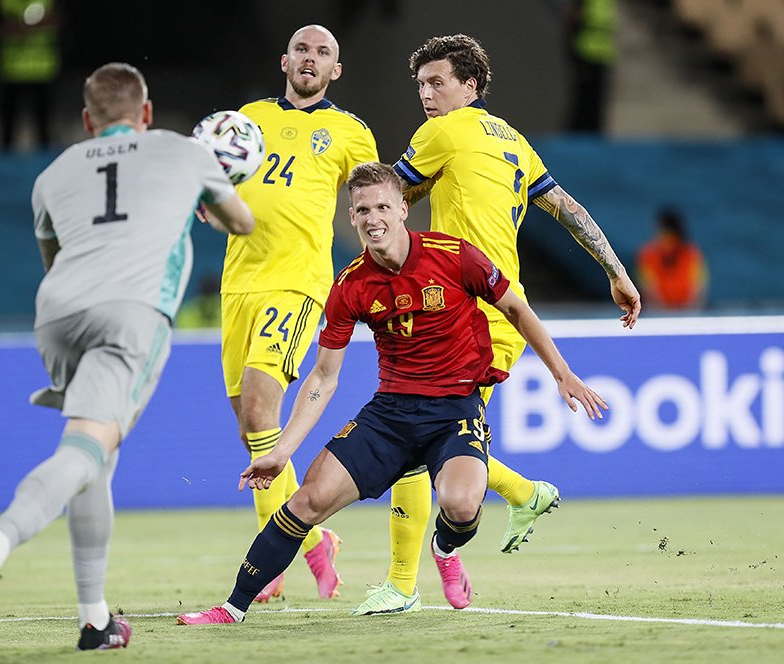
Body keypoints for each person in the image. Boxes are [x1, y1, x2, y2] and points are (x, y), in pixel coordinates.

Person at [176, 162, 607, 626]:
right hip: (391, 414)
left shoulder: (456, 255)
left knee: (461, 506)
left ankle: (443, 547)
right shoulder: (350, 285)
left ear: (404, 209)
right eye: (362, 209)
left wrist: (562, 374)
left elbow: (518, 310)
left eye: (383, 205)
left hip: (455, 410)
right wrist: (282, 451)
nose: (373, 217)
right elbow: (322, 377)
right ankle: (232, 608)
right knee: (305, 502)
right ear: (352, 216)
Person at [0, 62, 254, 650]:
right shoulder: (179, 152)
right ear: (147, 115)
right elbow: (241, 222)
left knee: (96, 461)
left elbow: (53, 254)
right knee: (85, 449)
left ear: (87, 121)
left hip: (56, 314)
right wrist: (208, 189)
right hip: (129, 313)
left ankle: (95, 620)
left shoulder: (53, 172)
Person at [352, 33, 641, 616]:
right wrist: (616, 270)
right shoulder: (513, 139)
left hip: (460, 311)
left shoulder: (440, 134)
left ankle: (403, 583)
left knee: (414, 436)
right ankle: (522, 494)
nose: (427, 95)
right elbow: (569, 211)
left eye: (437, 83)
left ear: (470, 86)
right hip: (500, 309)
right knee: (436, 436)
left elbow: (386, 200)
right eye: (421, 85)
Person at [214, 24, 378, 603]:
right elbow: (218, 184)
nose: (311, 59)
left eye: (324, 53)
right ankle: (313, 543)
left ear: (336, 70)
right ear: (285, 59)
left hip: (298, 284)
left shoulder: (349, 131)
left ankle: (270, 555)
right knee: (251, 427)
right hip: (239, 285)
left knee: (262, 406)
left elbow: (373, 200)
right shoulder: (247, 117)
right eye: (303, 50)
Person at [0, 0, 60, 150]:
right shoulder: (4, 3)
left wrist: (21, 27)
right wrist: (35, 25)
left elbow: (56, 21)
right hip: (11, 70)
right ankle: (4, 165)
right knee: (7, 128)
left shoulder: (48, 2)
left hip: (43, 69)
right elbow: (0, 28)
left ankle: (45, 162)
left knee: (43, 126)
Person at [636, 207, 707, 310]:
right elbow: (648, 289)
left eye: (669, 236)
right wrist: (661, 311)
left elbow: (698, 288)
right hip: (657, 313)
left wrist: (688, 312)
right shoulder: (647, 255)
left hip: (688, 312)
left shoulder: (692, 254)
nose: (665, 240)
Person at [562, 0, 616, 133]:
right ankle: (575, 135)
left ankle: (592, 135)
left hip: (602, 54)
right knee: (584, 101)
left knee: (596, 103)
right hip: (585, 52)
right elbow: (572, 19)